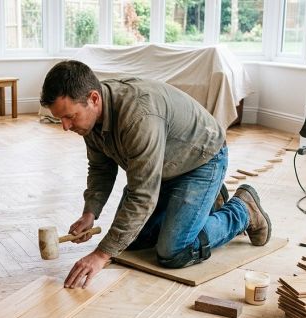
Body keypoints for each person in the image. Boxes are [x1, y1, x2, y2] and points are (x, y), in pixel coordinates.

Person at [40, 60, 271, 289]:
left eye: (69, 116)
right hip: (163, 168)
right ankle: (206, 201)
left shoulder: (138, 117)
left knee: (173, 251)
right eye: (60, 118)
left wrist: (100, 255)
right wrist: (90, 213)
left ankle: (243, 210)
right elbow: (101, 168)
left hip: (201, 160)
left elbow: (142, 196)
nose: (65, 126)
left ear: (93, 99)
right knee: (131, 242)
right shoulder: (89, 117)